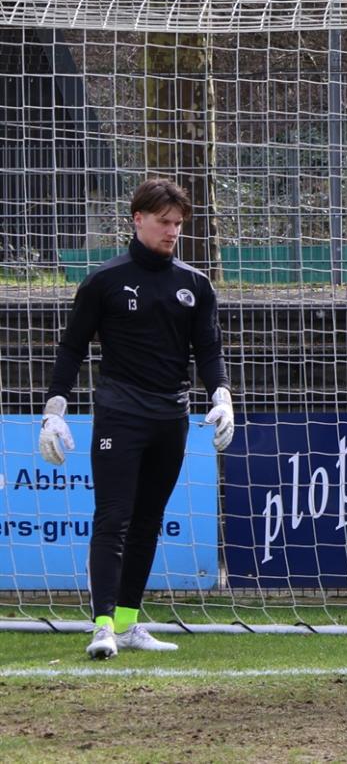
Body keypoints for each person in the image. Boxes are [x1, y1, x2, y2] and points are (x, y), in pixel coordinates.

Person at [38, 177, 234, 660]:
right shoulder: (104, 280)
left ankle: (128, 623)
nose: (172, 232)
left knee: (148, 522)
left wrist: (222, 396)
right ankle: (102, 625)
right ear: (138, 219)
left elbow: (208, 349)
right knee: (113, 518)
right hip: (120, 415)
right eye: (164, 222)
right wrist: (54, 410)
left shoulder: (195, 285)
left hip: (173, 417)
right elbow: (71, 349)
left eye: (178, 224)